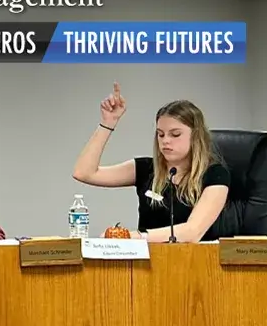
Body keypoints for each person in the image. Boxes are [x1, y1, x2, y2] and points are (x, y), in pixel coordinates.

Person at [72, 83, 230, 242]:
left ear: (196, 137)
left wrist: (136, 236)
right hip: (146, 262)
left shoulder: (215, 174)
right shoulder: (146, 168)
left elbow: (192, 232)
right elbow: (83, 172)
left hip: (193, 262)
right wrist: (108, 123)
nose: (166, 141)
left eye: (175, 135)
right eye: (161, 135)